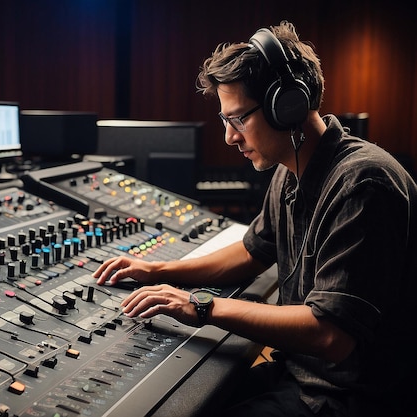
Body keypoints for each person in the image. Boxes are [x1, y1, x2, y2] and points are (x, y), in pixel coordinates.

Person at [92, 20, 417, 417]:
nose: (230, 137)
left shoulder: (363, 182)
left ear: (288, 106)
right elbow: (251, 252)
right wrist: (159, 269)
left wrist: (201, 307)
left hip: (350, 398)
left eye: (238, 119)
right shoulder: (291, 167)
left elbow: (333, 335)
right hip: (300, 375)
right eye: (225, 121)